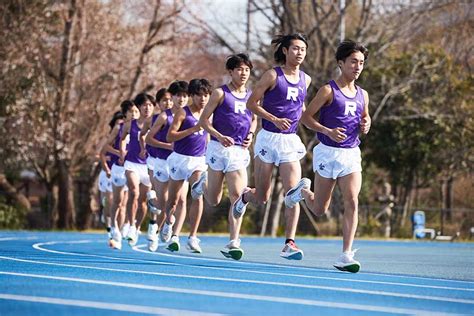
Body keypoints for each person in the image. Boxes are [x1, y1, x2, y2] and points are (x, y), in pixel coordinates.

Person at [286, 40, 370, 273]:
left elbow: (365, 118)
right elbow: (306, 117)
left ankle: (346, 254)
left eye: (361, 63)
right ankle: (302, 192)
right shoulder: (328, 90)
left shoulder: (363, 94)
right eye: (353, 61)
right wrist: (327, 130)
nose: (357, 66)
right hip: (327, 152)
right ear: (341, 63)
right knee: (320, 208)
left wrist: (367, 124)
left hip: (351, 153)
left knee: (352, 200)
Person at [231, 33, 311, 260]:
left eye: (303, 49)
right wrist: (274, 119)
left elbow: (300, 107)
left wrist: (318, 122)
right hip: (268, 137)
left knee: (292, 193)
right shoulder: (272, 75)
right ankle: (245, 197)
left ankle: (289, 243)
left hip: (289, 141)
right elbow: (251, 103)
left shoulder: (307, 79)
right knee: (263, 196)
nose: (299, 53)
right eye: (295, 48)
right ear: (285, 51)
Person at [193, 53, 256, 260]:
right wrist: (219, 136)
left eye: (246, 69)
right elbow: (204, 121)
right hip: (217, 149)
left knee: (237, 197)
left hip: (238, 151)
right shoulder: (220, 93)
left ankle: (233, 241)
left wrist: (251, 135)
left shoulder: (251, 95)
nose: (243, 73)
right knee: (213, 199)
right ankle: (202, 184)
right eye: (239, 69)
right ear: (230, 72)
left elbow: (254, 118)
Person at [163, 78, 211, 253]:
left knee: (197, 194)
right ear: (192, 96)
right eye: (199, 95)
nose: (203, 99)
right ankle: (169, 223)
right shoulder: (183, 113)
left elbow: (209, 134)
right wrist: (192, 129)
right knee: (173, 200)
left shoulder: (208, 113)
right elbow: (170, 137)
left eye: (206, 95)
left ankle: (192, 236)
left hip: (198, 161)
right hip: (179, 159)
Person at [119, 93, 155, 247]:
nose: (147, 108)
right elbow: (121, 139)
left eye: (150, 105)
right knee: (134, 192)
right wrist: (122, 153)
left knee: (143, 201)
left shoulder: (157, 123)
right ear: (139, 107)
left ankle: (138, 226)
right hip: (132, 163)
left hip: (148, 166)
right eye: (144, 105)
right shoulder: (129, 124)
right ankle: (131, 226)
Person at [104, 100, 140, 250]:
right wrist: (120, 153)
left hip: (133, 167)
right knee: (118, 201)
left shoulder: (141, 126)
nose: (135, 114)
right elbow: (106, 146)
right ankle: (113, 226)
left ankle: (127, 226)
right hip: (118, 168)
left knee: (131, 197)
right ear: (125, 114)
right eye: (132, 112)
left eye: (137, 111)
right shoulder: (119, 127)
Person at [142, 88, 174, 251]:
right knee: (161, 197)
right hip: (154, 161)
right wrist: (143, 149)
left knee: (169, 202)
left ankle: (155, 228)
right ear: (158, 103)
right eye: (164, 101)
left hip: (174, 161)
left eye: (169, 100)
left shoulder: (179, 116)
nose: (167, 103)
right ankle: (153, 201)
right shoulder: (153, 119)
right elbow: (143, 136)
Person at [98, 111, 124, 244]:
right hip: (107, 173)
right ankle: (107, 216)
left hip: (120, 171)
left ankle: (118, 229)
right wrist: (106, 168)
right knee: (109, 200)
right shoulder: (109, 138)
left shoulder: (126, 136)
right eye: (118, 123)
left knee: (122, 203)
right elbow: (100, 154)